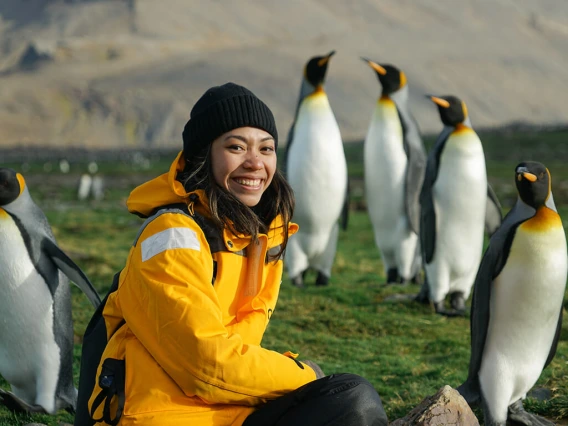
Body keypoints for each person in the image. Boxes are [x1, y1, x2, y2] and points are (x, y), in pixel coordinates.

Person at [85, 82, 388, 426]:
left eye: (267, 148)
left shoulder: (258, 235)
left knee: (350, 402)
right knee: (351, 401)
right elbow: (206, 365)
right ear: (204, 154)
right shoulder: (173, 235)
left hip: (225, 411)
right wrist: (305, 375)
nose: (255, 162)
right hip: (158, 417)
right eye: (236, 146)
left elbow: (235, 350)